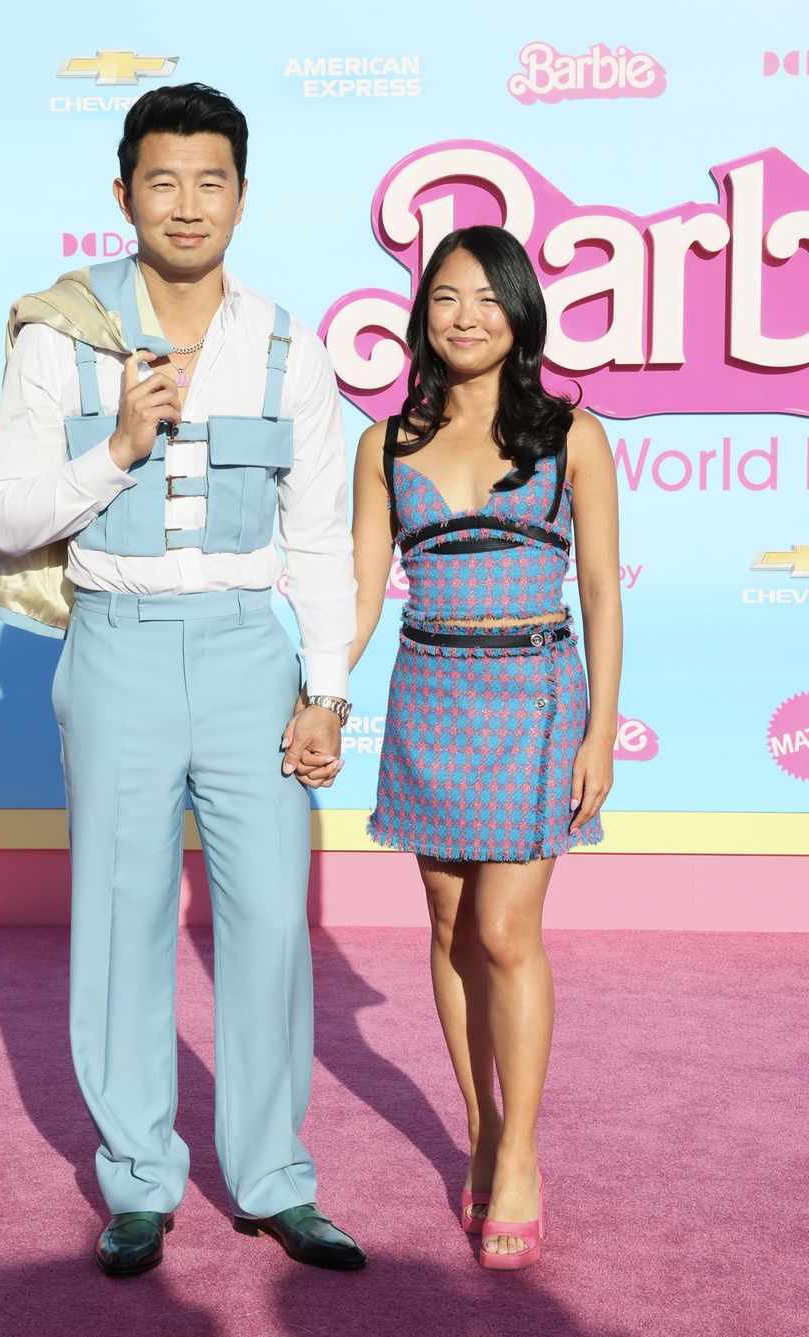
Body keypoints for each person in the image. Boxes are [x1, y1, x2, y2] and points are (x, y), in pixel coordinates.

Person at [0, 83, 365, 1275]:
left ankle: (272, 1177)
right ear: (122, 194)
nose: (187, 204)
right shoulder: (60, 331)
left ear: (241, 196)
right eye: (163, 180)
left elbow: (318, 541)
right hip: (117, 648)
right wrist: (117, 453)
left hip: (253, 651)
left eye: (211, 180)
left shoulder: (288, 346)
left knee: (267, 929)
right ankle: (138, 1181)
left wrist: (327, 688)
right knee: (119, 922)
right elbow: (6, 512)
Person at [326, 225, 622, 1269]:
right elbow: (361, 594)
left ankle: (525, 1151)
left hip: (536, 692)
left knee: (504, 930)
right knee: (451, 926)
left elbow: (597, 591)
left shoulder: (572, 436)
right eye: (445, 298)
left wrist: (600, 728)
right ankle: (481, 1126)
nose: (465, 316)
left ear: (519, 312)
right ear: (422, 315)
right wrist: (321, 689)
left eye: (486, 298)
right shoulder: (386, 442)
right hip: (427, 692)